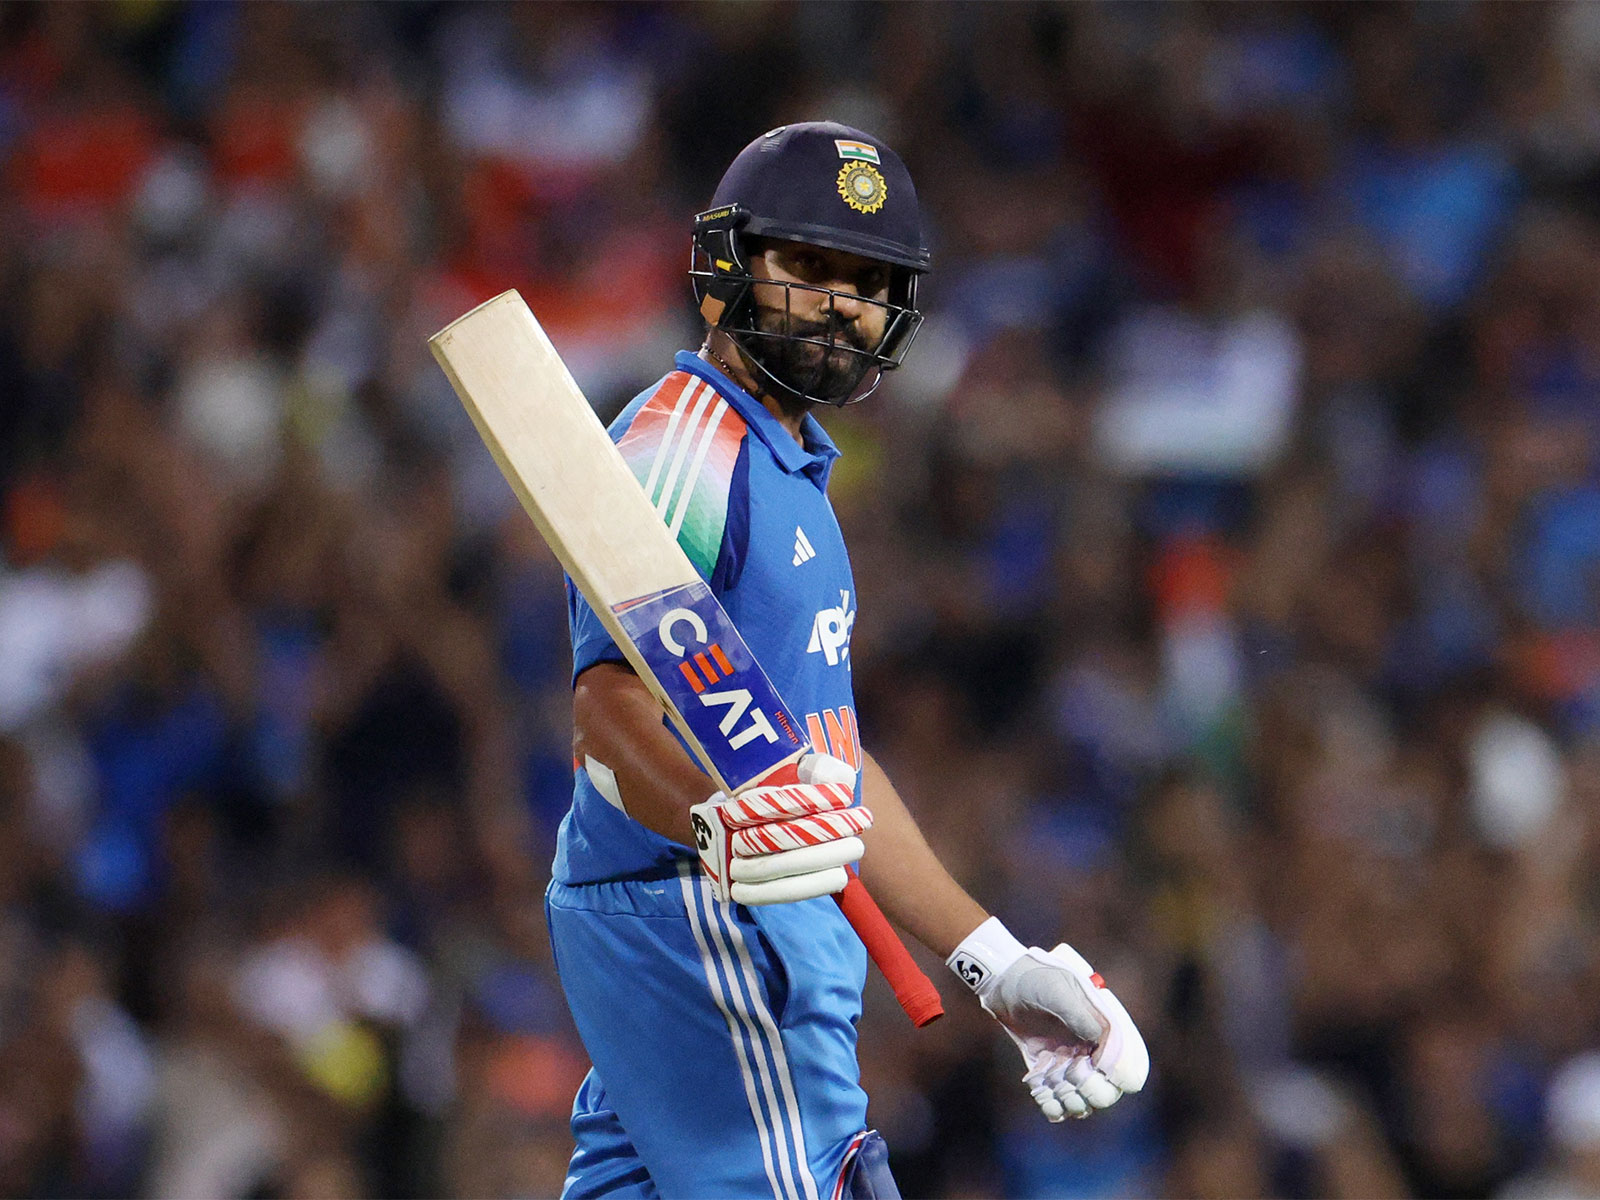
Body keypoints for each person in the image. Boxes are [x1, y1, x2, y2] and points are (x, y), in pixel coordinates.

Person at [546, 121, 1148, 1200]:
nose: (841, 303)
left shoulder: (786, 466)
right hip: (708, 914)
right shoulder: (686, 447)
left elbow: (822, 766)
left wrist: (994, 960)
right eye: (810, 266)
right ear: (728, 265)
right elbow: (607, 711)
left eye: (869, 282)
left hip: (733, 911)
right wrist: (715, 821)